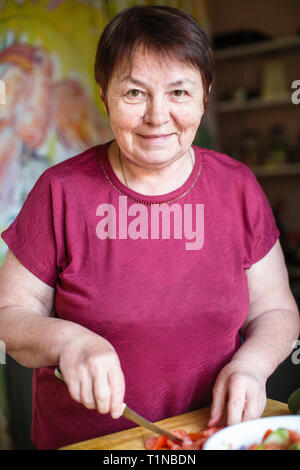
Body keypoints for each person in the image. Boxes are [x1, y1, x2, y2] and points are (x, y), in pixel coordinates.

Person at [0, 5, 299, 450]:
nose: (158, 116)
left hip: (213, 435)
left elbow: (275, 310)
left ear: (206, 93)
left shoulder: (237, 186)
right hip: (96, 447)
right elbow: (9, 315)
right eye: (135, 93)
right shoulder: (59, 192)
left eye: (179, 92)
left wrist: (252, 365)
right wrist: (69, 341)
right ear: (104, 93)